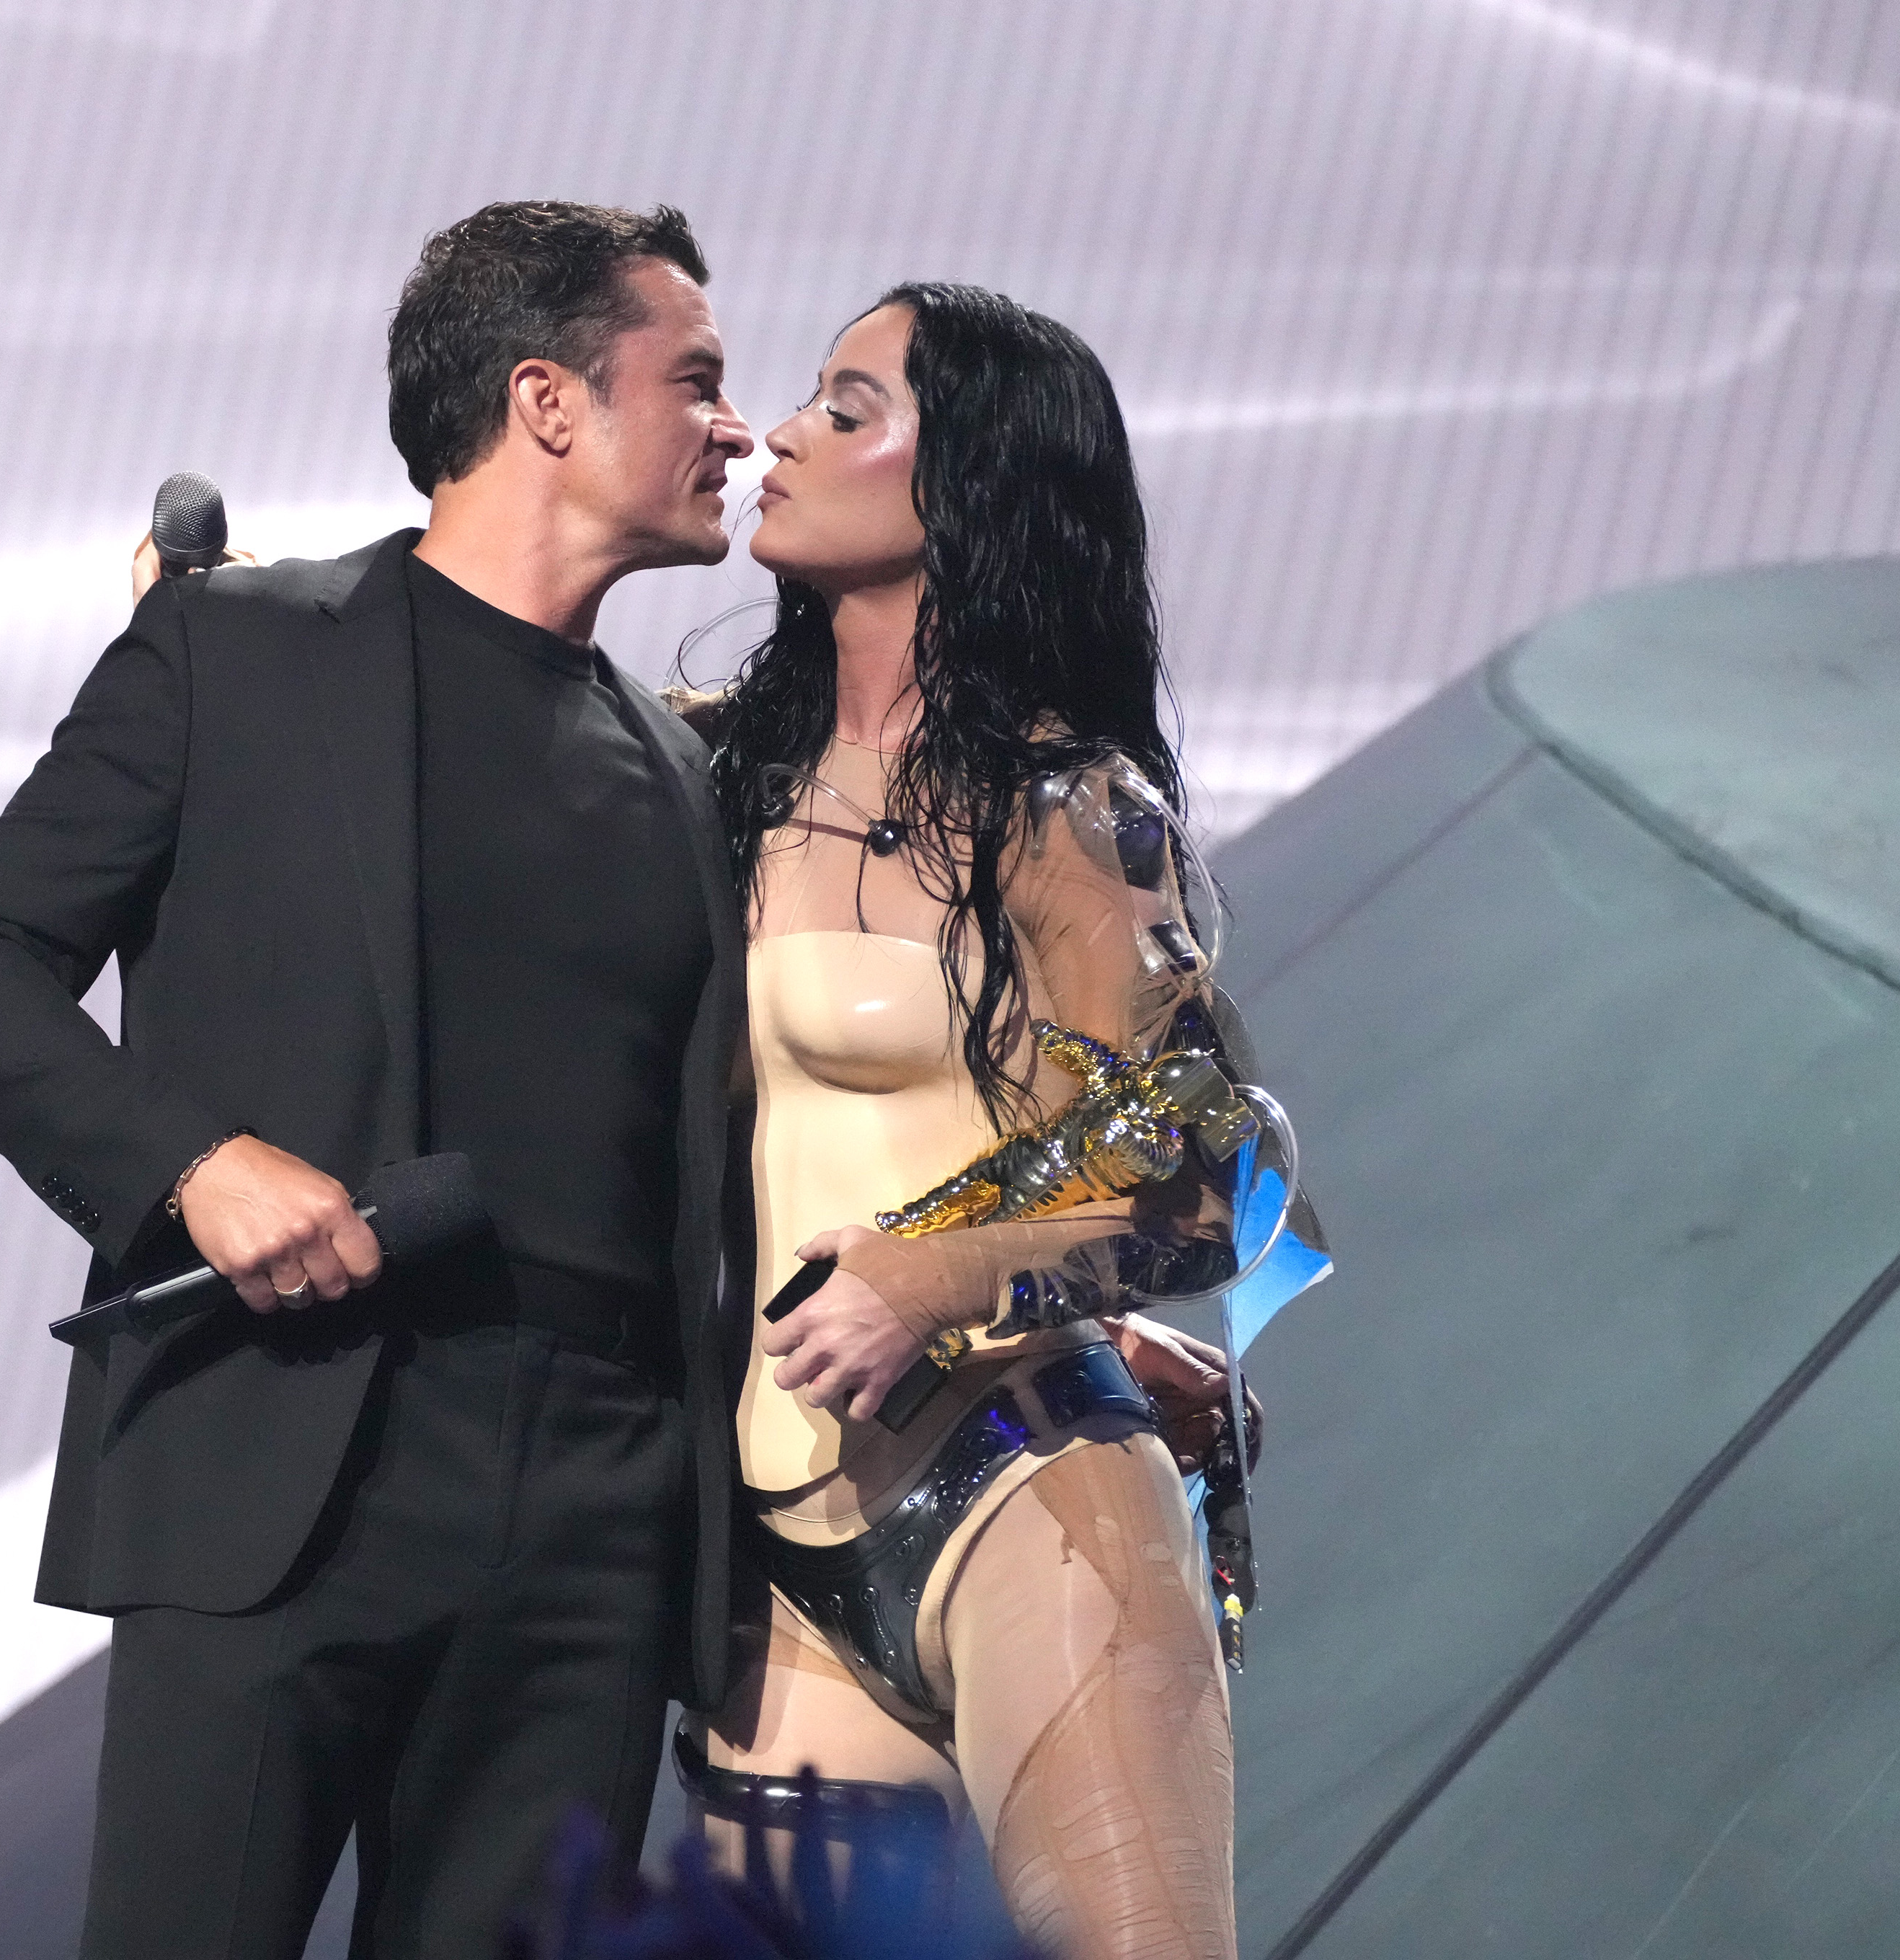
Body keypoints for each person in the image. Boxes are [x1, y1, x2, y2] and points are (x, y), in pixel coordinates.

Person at [0, 200, 762, 1960]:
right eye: (700, 380)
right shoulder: (236, 654)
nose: (736, 430)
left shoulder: (685, 771)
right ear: (549, 401)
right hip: (294, 1447)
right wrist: (192, 1159)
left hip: (598, 1509)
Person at [675, 285, 1323, 1960]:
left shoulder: (1063, 807)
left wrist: (933, 1272)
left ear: (960, 484)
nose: (782, 435)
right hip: (777, 1563)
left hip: (1021, 1486)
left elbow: (1206, 1172)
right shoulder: (706, 776)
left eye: (845, 402)